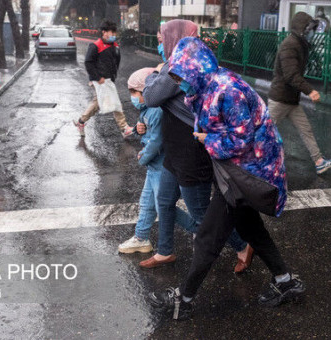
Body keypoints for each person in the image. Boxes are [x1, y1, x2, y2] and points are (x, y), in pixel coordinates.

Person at [148, 37, 305, 320]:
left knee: (208, 237)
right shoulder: (205, 85)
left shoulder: (227, 89)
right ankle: (285, 281)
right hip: (237, 170)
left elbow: (242, 139)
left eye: (181, 76)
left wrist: (207, 139)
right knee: (251, 229)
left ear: (196, 69)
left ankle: (183, 300)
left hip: (249, 170)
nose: (179, 83)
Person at [141, 20, 253, 272]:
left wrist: (153, 74)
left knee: (201, 214)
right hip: (175, 149)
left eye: (162, 39)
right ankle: (164, 251)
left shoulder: (180, 64)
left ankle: (242, 245)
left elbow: (151, 97)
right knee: (165, 201)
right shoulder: (186, 62)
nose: (160, 43)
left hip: (192, 152)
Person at [118, 68, 198, 253]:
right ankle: (141, 236)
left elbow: (156, 141)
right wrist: (139, 130)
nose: (133, 97)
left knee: (164, 208)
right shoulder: (148, 108)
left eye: (134, 93)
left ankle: (200, 229)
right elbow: (148, 132)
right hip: (154, 167)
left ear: (146, 90)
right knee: (147, 204)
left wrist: (143, 157)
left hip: (161, 167)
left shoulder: (156, 110)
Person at [268, 12, 331, 175]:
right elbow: (291, 75)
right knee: (263, 131)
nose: (312, 33)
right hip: (280, 99)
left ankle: (319, 161)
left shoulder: (300, 44)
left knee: (306, 129)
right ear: (302, 29)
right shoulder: (290, 45)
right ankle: (247, 159)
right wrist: (310, 91)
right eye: (310, 29)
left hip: (291, 100)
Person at [73, 21, 133, 138]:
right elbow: (88, 63)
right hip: (100, 80)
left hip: (108, 79)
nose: (114, 34)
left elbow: (116, 62)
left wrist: (112, 75)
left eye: (115, 32)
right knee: (115, 102)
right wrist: (97, 77)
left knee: (97, 104)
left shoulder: (115, 46)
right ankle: (124, 128)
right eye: (111, 32)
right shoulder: (96, 46)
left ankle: (81, 122)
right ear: (104, 32)